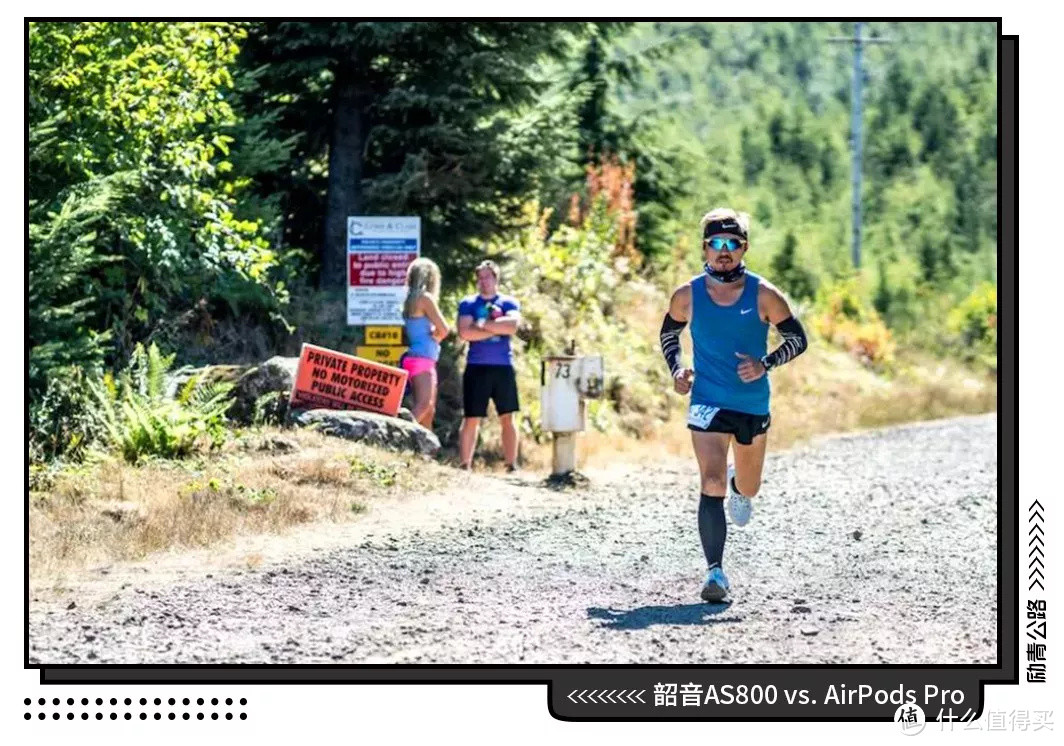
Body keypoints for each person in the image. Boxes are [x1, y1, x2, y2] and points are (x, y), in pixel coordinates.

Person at [659, 208, 809, 603]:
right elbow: (669, 334)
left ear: (743, 248)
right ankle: (716, 573)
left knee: (750, 486)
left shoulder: (764, 294)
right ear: (705, 248)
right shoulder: (687, 294)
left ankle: (737, 484)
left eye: (732, 244)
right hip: (706, 400)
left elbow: (797, 338)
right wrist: (677, 369)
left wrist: (766, 364)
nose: (723, 251)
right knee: (708, 482)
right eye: (716, 244)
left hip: (750, 403)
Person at [457, 260, 522, 471]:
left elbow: (512, 326)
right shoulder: (468, 303)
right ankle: (465, 463)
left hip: (502, 366)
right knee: (471, 417)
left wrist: (482, 326)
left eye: (488, 277)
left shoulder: (508, 302)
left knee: (507, 417)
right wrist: (496, 328)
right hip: (477, 366)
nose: (484, 282)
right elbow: (465, 332)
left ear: (496, 278)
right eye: (480, 278)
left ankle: (511, 464)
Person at [401, 258, 449, 428]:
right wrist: (436, 337)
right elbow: (444, 329)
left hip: (414, 358)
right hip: (423, 359)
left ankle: (426, 452)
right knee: (424, 406)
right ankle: (397, 433)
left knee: (429, 412)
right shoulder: (425, 299)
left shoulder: (409, 301)